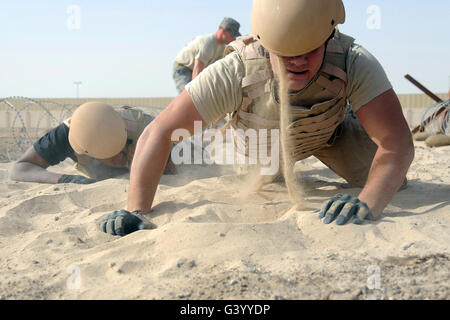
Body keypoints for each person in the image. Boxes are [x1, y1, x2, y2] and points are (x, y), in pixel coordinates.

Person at [100, 0, 415, 236]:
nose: (299, 61)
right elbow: (161, 130)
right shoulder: (236, 69)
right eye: (286, 52)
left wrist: (368, 202)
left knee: (393, 183)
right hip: (259, 148)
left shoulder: (354, 61)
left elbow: (396, 143)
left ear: (330, 36)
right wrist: (136, 209)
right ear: (265, 42)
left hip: (329, 134)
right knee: (264, 178)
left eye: (310, 49)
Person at [9, 102, 175, 185]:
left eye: (125, 150)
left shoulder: (146, 128)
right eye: (112, 156)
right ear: (85, 151)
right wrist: (68, 180)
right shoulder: (67, 135)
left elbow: (173, 168)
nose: (120, 158)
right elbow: (20, 168)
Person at [172, 17, 241, 94]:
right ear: (223, 31)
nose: (234, 39)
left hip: (195, 70)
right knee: (190, 96)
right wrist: (197, 92)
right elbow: (197, 69)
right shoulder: (208, 42)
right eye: (232, 35)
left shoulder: (221, 48)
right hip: (183, 69)